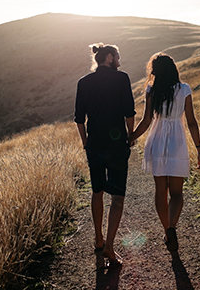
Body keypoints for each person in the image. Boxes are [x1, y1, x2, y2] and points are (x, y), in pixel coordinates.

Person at [129, 52, 200, 252]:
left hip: (157, 140)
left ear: (155, 71)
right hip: (177, 142)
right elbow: (191, 122)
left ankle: (167, 230)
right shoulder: (185, 89)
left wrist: (131, 137)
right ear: (173, 69)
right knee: (177, 193)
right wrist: (199, 150)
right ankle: (171, 227)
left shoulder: (152, 89)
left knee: (160, 192)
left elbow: (146, 121)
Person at [74, 43, 136, 267]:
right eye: (117, 57)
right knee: (117, 197)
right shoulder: (122, 79)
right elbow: (129, 111)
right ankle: (109, 244)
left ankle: (98, 239)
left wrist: (85, 143)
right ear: (109, 57)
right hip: (117, 145)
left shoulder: (83, 82)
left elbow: (79, 118)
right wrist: (131, 135)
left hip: (94, 146)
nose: (119, 61)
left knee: (97, 192)